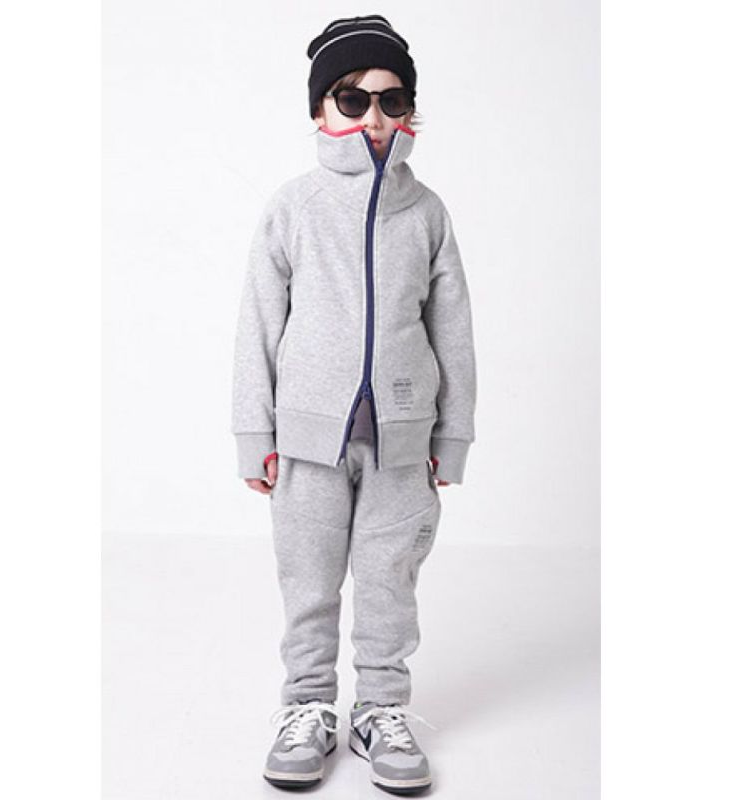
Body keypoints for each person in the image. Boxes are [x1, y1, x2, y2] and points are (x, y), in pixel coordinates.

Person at [230, 14, 477, 795]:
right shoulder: (293, 207)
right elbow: (259, 324)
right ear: (320, 108)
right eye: (352, 97)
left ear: (408, 111)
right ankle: (308, 706)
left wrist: (453, 435)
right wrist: (254, 432)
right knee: (308, 581)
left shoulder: (426, 212)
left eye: (391, 99)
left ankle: (380, 710)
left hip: (403, 441)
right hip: (308, 442)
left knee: (387, 582)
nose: (373, 116)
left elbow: (453, 330)